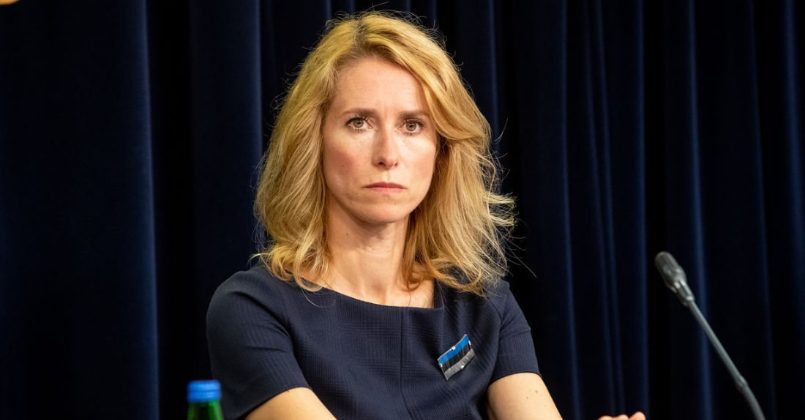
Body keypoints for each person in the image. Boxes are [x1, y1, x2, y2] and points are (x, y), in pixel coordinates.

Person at [207, 11, 645, 420]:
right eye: (359, 122)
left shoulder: (483, 305)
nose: (388, 154)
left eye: (412, 125)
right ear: (313, 142)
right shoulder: (252, 309)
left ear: (441, 152)